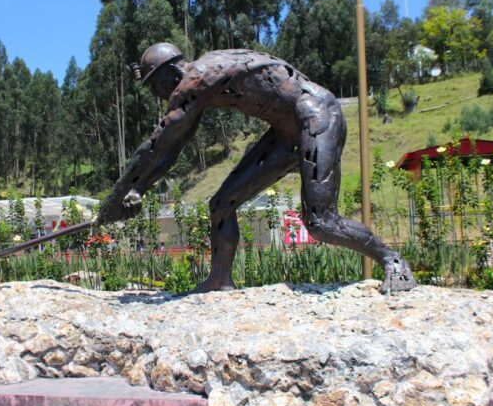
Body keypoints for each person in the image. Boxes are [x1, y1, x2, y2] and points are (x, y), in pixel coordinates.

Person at [96, 43, 416, 293]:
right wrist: (139, 188)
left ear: (169, 73)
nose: (157, 94)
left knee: (321, 222)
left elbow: (157, 142)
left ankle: (392, 260)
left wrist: (116, 198)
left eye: (155, 85)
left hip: (317, 117)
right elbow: (172, 148)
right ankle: (220, 280)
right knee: (221, 205)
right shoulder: (200, 80)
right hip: (286, 131)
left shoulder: (195, 80)